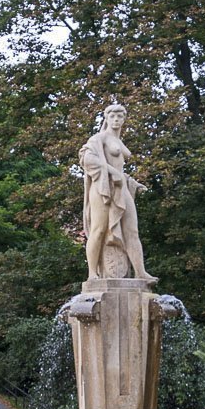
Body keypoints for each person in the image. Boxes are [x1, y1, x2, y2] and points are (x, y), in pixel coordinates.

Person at [79, 103, 157, 281]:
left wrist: (131, 181)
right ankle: (92, 274)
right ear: (106, 118)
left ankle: (140, 272)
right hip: (102, 188)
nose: (116, 120)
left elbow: (119, 168)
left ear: (124, 119)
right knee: (98, 230)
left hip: (121, 187)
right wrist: (112, 173)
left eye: (119, 117)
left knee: (132, 231)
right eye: (112, 116)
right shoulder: (99, 138)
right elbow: (87, 158)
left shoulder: (119, 141)